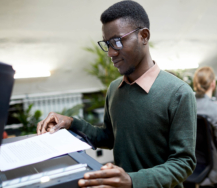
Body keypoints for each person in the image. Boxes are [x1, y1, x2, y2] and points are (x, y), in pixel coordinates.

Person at [37, 1, 197, 188]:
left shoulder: (179, 93)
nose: (111, 53)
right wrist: (71, 123)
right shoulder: (115, 89)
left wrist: (132, 181)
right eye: (107, 44)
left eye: (117, 41)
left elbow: (184, 162)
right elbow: (108, 137)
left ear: (143, 36)